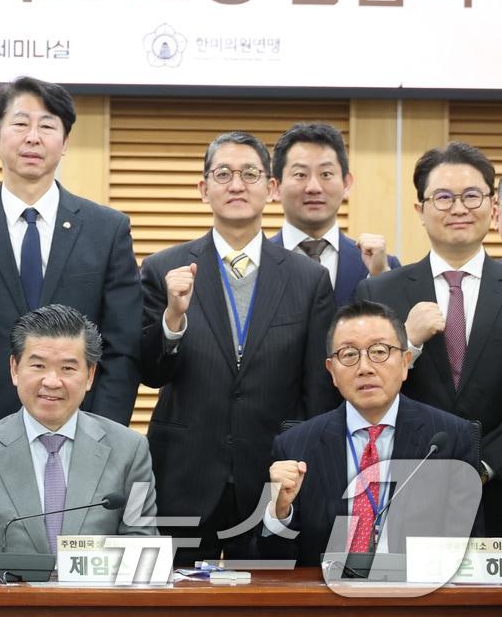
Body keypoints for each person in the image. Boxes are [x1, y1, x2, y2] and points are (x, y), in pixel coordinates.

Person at [139, 131, 336, 562]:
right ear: (203, 188)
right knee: (178, 600)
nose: (236, 184)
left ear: (270, 188)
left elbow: (317, 393)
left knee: (270, 601)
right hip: (184, 473)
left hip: (272, 475)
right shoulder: (163, 269)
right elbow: (151, 372)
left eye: (250, 174)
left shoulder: (308, 280)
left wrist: (298, 465)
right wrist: (173, 317)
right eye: (223, 173)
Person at [0, 77, 141, 425]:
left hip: (80, 420)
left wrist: (104, 428)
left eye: (47, 126)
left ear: (66, 140)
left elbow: (123, 345)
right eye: (20, 124)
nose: (33, 137)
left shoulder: (107, 229)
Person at [0, 305, 156, 565]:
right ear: (15, 369)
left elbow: (143, 554)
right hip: (3, 605)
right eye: (38, 365)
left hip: (91, 604)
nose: (51, 381)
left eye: (68, 369)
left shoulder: (130, 450)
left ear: (90, 375)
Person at [259, 301, 482, 565]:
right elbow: (271, 563)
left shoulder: (450, 439)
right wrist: (279, 511)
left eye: (379, 351)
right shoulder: (295, 447)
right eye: (349, 354)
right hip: (326, 599)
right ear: (332, 371)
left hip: (417, 600)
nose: (365, 367)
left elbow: (469, 552)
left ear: (404, 363)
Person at [355, 141, 502, 536]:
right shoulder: (378, 293)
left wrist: (484, 465)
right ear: (420, 210)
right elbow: (356, 390)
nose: (458, 208)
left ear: (494, 205)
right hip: (405, 486)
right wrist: (409, 346)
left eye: (472, 195)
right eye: (443, 197)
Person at [269, 122, 399, 306]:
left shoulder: (384, 266)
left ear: (346, 184)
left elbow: (398, 330)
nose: (314, 187)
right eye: (300, 174)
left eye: (326, 174)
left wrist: (381, 278)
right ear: (275, 187)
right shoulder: (255, 264)